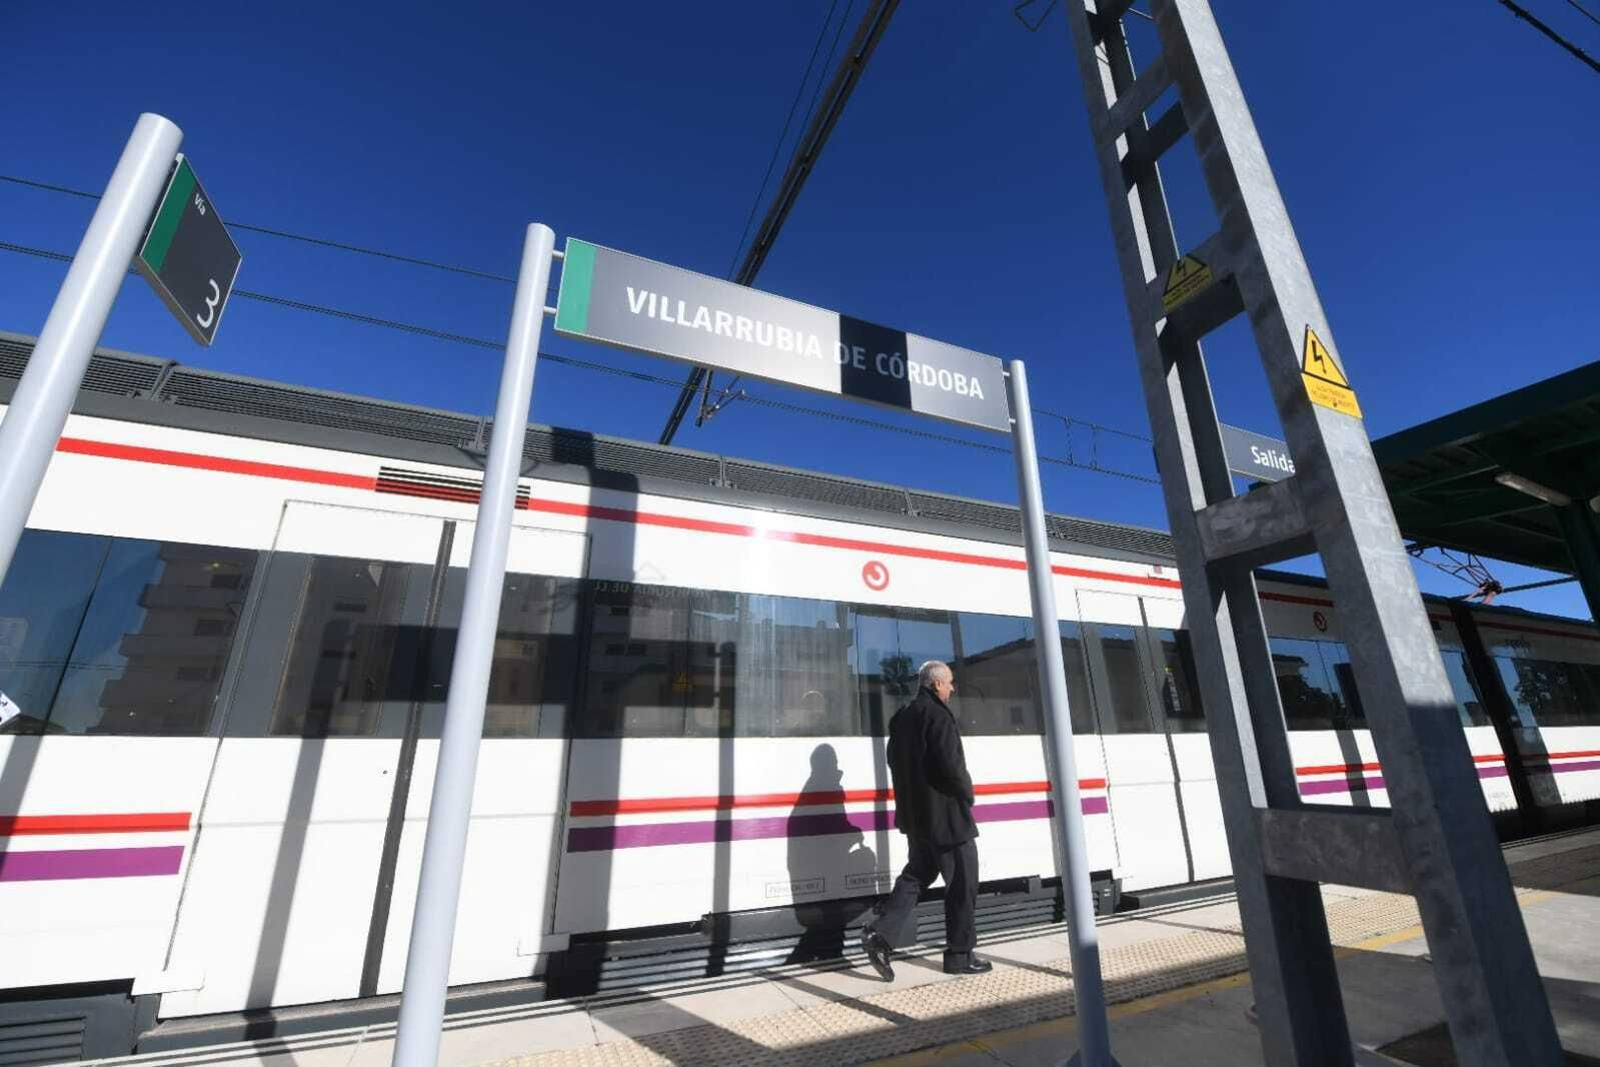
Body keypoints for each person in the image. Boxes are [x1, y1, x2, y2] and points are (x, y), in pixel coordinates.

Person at [859, 660, 992, 981]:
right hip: (946, 818)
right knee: (962, 883)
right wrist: (966, 795)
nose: (952, 688)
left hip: (915, 817)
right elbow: (951, 764)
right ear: (935, 684)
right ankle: (960, 955)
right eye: (949, 683)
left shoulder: (902, 717)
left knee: (917, 874)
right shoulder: (938, 715)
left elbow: (894, 762)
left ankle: (881, 934)